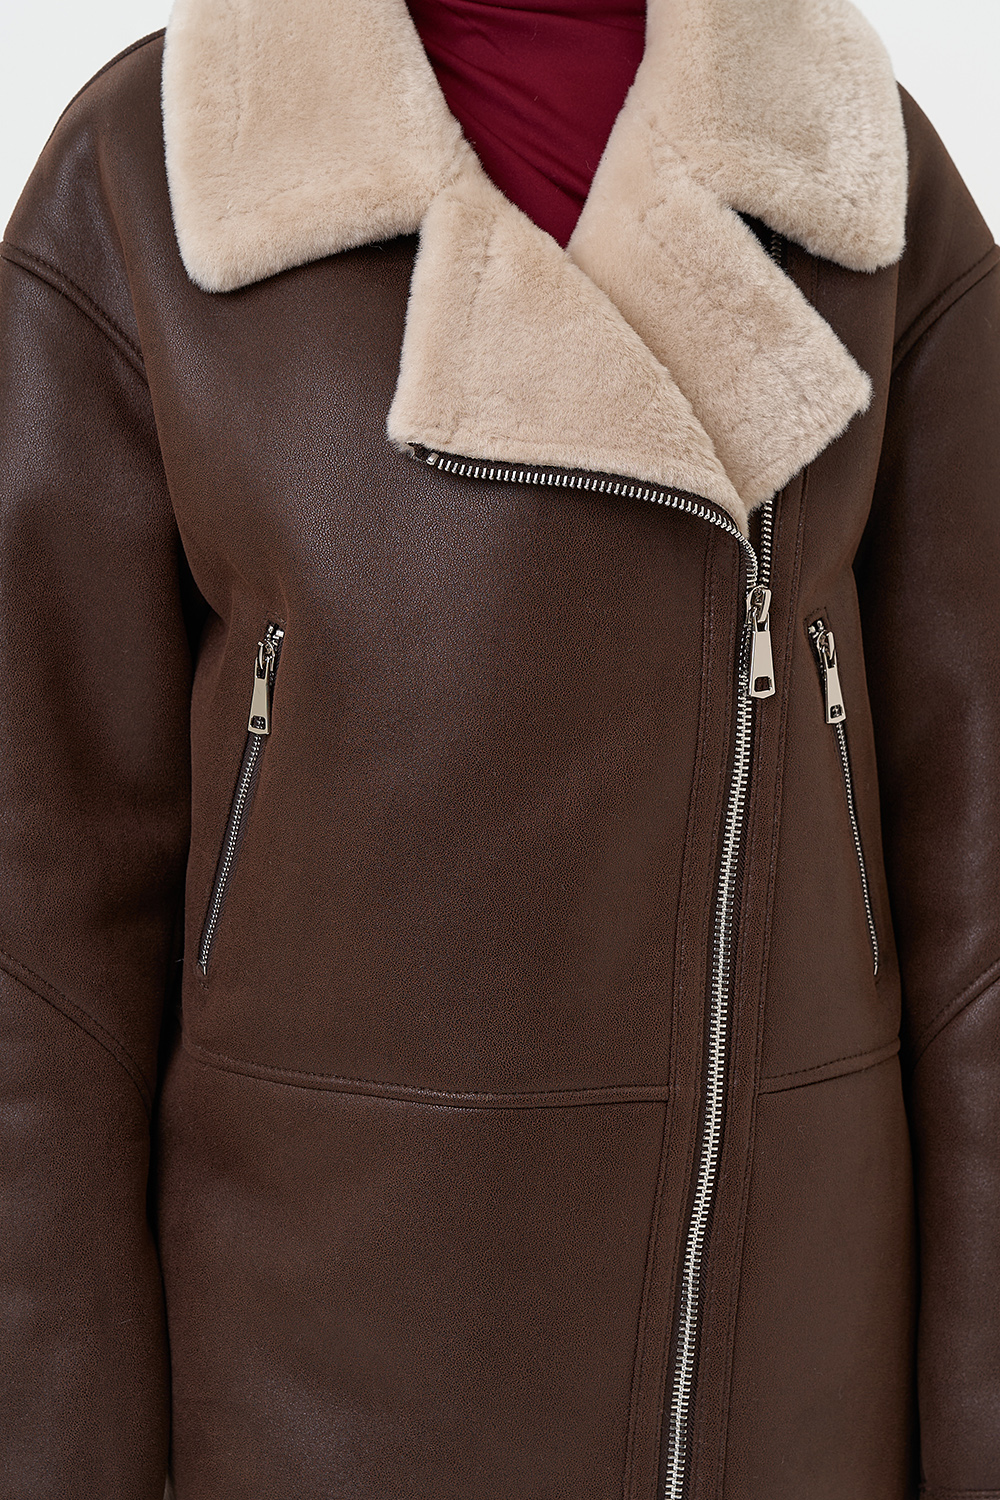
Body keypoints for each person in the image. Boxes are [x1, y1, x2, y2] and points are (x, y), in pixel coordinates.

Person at [1, 1, 998, 1497]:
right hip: (306, 1387)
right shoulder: (165, 169)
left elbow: (980, 921)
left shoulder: (847, 165)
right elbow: (40, 959)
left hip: (774, 1390)